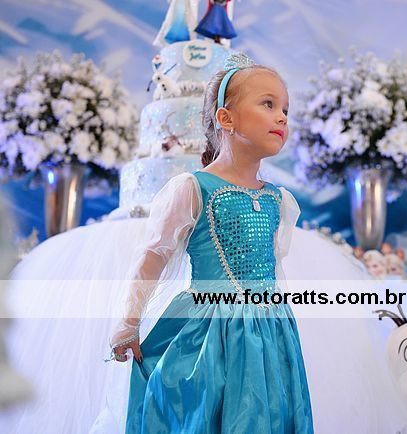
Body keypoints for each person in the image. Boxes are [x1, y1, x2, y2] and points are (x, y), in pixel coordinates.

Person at [108, 55, 313, 433]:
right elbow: (153, 257)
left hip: (268, 332)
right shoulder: (192, 189)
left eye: (285, 109)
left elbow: (273, 268)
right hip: (208, 334)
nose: (282, 117)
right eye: (268, 104)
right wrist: (128, 322)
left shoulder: (279, 199)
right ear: (226, 118)